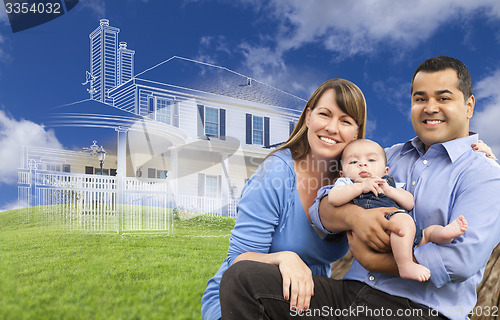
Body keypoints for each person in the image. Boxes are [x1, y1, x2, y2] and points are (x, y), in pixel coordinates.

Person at [219, 56, 500, 320]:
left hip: (419, 309)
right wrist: (355, 217)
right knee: (244, 279)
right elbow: (321, 210)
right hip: (350, 295)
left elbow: (459, 261)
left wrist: (372, 260)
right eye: (420, 98)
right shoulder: (384, 156)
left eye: (443, 97)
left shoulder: (484, 174)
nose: (430, 107)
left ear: (469, 106)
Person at [201, 78, 373, 320]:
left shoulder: (353, 183)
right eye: (325, 114)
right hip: (243, 299)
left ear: (357, 131)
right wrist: (284, 258)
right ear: (308, 117)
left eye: (345, 121)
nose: (333, 128)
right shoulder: (276, 172)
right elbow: (239, 260)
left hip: (306, 299)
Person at [328, 138, 467, 282]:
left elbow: (409, 203)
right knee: (403, 220)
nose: (363, 164)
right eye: (353, 162)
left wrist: (390, 191)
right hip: (382, 228)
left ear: (385, 171)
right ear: (342, 173)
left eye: (371, 160)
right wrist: (360, 187)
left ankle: (444, 234)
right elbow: (333, 198)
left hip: (403, 232)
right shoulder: (347, 183)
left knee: (428, 233)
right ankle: (405, 264)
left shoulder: (387, 184)